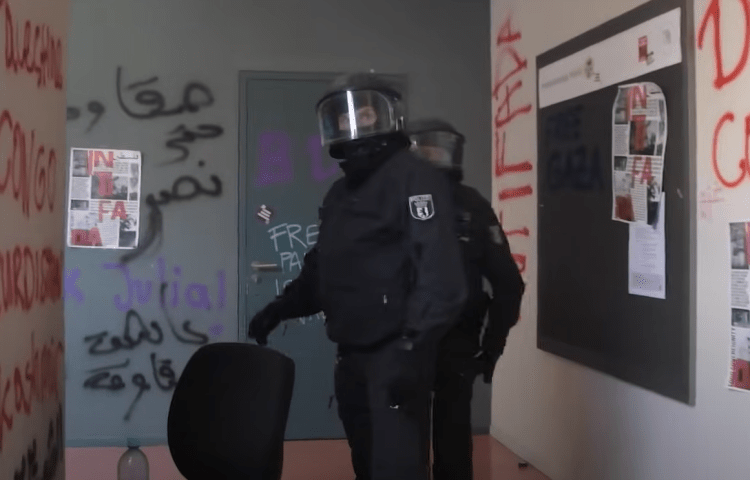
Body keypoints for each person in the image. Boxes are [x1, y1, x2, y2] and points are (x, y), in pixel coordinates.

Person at [247, 73, 467, 480]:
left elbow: (442, 278)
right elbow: (324, 266)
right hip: (352, 355)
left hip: (397, 354)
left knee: (396, 466)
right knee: (366, 462)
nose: (353, 128)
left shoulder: (416, 179)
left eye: (363, 115)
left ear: (387, 116)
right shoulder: (340, 194)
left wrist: (411, 352)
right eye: (341, 119)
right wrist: (281, 308)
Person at [408, 118, 525, 480]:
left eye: (436, 150)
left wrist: (492, 346)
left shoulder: (469, 204)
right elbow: (508, 284)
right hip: (415, 339)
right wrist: (491, 347)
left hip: (431, 338)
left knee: (434, 435)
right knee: (438, 433)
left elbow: (508, 284)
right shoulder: (468, 202)